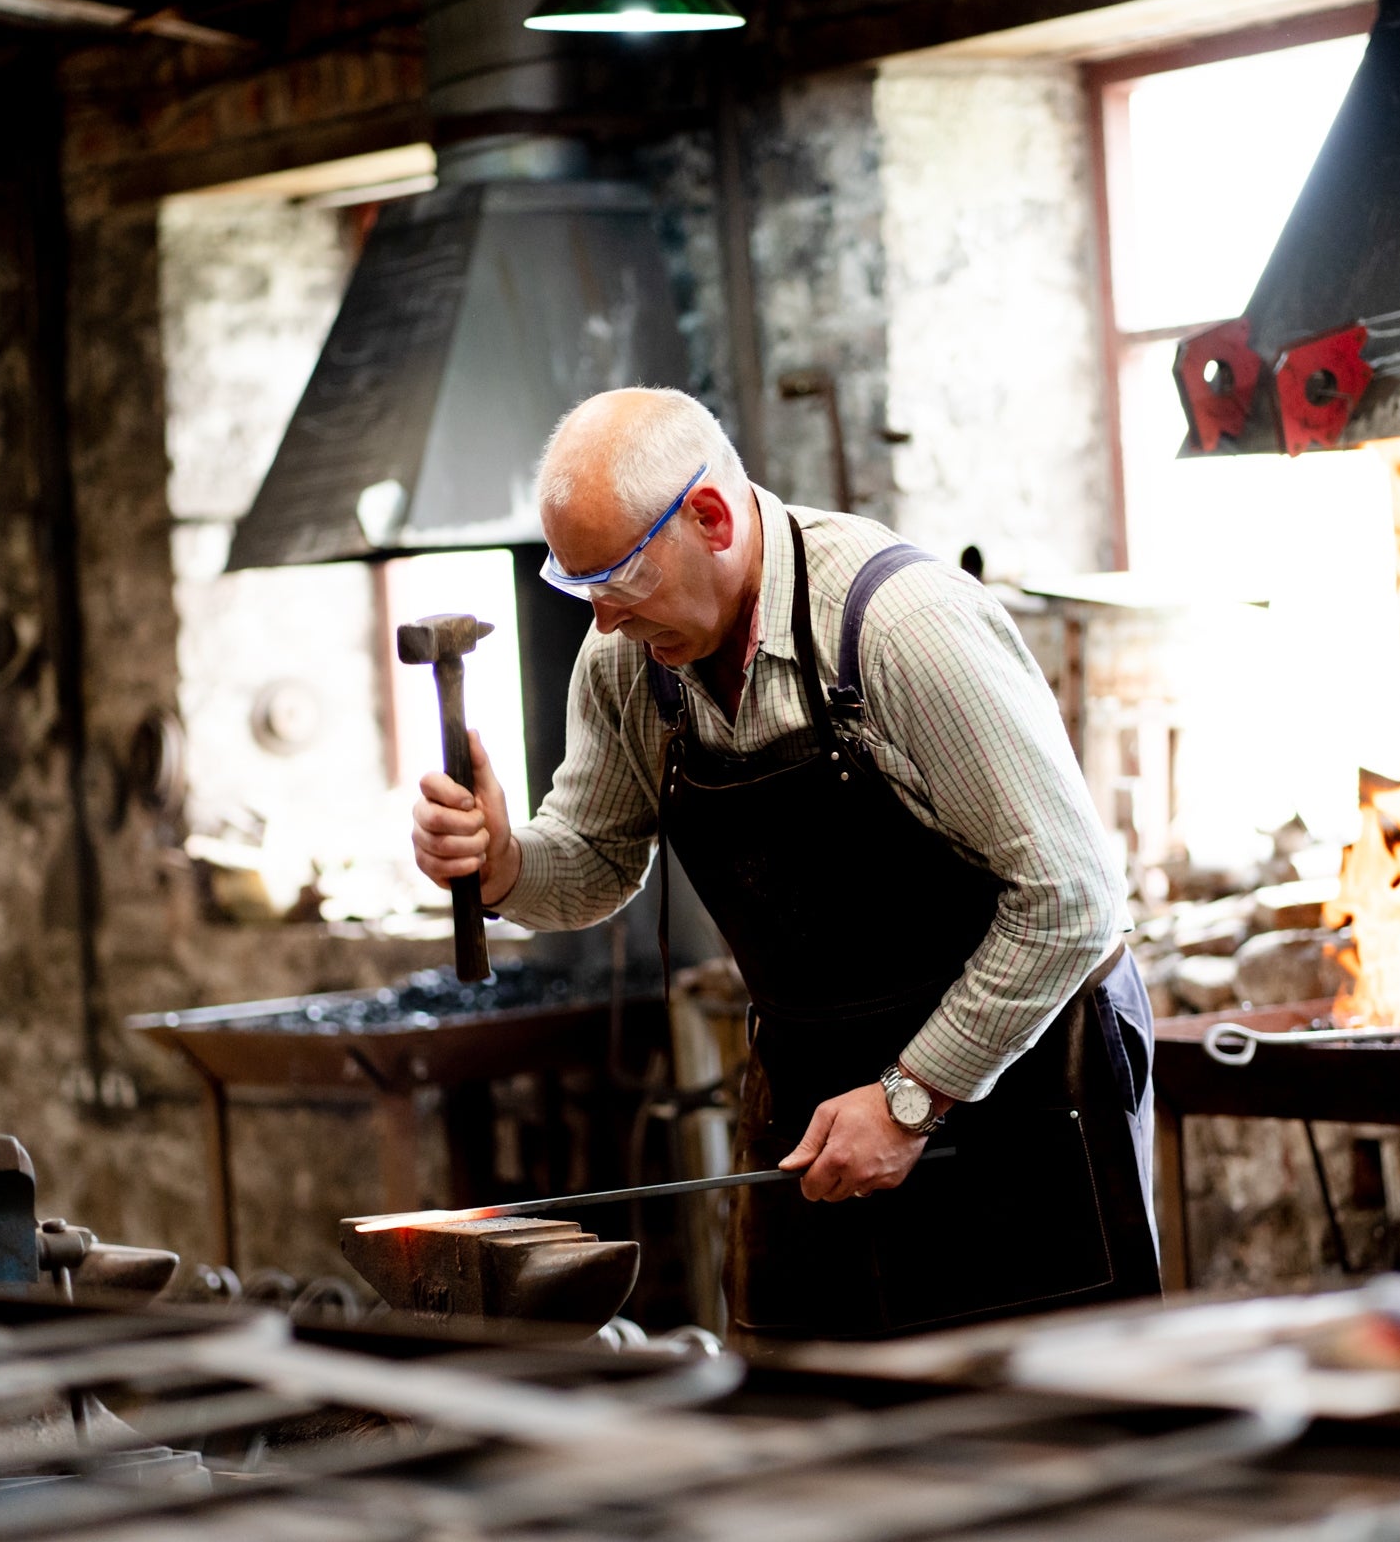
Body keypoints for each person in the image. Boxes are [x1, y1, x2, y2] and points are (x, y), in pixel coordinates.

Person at [411, 387, 1159, 1339]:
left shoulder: (899, 629)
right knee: (801, 1419)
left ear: (711, 519)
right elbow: (597, 861)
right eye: (580, 587)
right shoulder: (629, 659)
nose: (601, 623)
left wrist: (912, 1096)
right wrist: (506, 858)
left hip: (1021, 1080)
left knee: (1046, 1430)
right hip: (814, 1087)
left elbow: (1073, 900)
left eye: (620, 583)